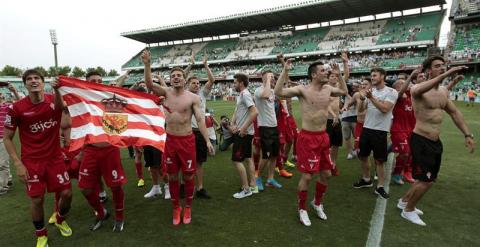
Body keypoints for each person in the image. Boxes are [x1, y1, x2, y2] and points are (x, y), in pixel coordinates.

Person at [398, 56, 474, 226]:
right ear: (428, 71)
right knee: (426, 180)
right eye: (437, 66)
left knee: (427, 179)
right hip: (421, 140)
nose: (441, 68)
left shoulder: (443, 92)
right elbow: (419, 90)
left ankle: (404, 201)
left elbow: (455, 113)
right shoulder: (418, 88)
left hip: (435, 142)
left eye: (443, 65)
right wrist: (448, 73)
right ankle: (408, 210)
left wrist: (468, 134)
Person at [142, 49, 214, 225]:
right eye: (173, 75)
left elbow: (199, 119)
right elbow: (150, 84)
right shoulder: (166, 93)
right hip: (171, 141)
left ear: (184, 79)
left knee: (189, 177)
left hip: (187, 141)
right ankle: (176, 207)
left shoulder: (193, 98)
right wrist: (147, 64)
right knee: (173, 177)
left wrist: (206, 140)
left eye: (178, 75)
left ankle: (187, 206)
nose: (175, 77)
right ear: (170, 78)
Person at [275, 57, 348, 226]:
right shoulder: (302, 89)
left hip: (323, 137)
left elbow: (343, 92)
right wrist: (285, 70)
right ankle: (302, 208)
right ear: (314, 75)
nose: (327, 72)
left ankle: (317, 202)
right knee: (307, 176)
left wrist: (340, 76)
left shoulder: (328, 88)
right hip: (308, 138)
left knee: (327, 174)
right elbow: (279, 92)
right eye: (323, 70)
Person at [3, 70, 73, 247]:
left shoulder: (53, 99)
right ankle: (41, 234)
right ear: (25, 84)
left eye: (37, 78)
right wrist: (18, 163)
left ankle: (60, 219)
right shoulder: (16, 108)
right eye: (29, 79)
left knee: (67, 193)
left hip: (55, 158)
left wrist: (57, 89)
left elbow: (60, 107)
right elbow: (7, 138)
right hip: (32, 162)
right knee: (37, 199)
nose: (33, 81)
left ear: (43, 82)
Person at [75, 71, 127, 232]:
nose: (97, 82)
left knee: (116, 187)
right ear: (87, 82)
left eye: (99, 80)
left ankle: (119, 217)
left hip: (109, 149)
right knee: (85, 188)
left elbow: (128, 106)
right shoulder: (83, 101)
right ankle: (101, 212)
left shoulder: (111, 99)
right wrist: (57, 88)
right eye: (93, 81)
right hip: (90, 150)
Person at [353, 67, 398, 199]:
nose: (372, 78)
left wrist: (370, 97)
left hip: (380, 131)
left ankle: (380, 187)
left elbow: (385, 109)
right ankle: (366, 179)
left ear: (382, 76)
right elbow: (360, 110)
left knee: (379, 160)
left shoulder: (391, 92)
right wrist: (361, 99)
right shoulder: (370, 91)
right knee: (363, 156)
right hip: (367, 128)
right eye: (371, 76)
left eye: (375, 75)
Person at [187, 53, 215, 199]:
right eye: (194, 83)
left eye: (198, 83)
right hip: (187, 132)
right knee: (185, 162)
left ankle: (200, 188)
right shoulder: (184, 94)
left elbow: (212, 80)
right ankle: (184, 186)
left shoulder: (202, 94)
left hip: (200, 132)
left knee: (199, 162)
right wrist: (191, 65)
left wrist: (205, 65)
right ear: (188, 84)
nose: (197, 85)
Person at [254, 70, 283, 191]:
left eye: (273, 77)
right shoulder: (259, 90)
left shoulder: (271, 90)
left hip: (274, 126)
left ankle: (270, 179)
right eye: (270, 77)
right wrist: (267, 81)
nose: (272, 79)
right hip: (265, 127)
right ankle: (257, 177)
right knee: (265, 156)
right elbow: (265, 95)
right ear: (263, 78)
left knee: (274, 155)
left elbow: (280, 92)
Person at [231, 73, 258, 199]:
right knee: (248, 158)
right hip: (246, 133)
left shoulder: (245, 94)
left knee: (236, 161)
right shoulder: (242, 95)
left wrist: (243, 128)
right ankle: (253, 185)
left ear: (241, 83)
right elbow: (237, 111)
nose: (234, 84)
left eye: (235, 82)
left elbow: (254, 112)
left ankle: (246, 189)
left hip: (244, 134)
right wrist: (232, 123)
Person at [390, 68, 419, 185]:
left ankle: (387, 150)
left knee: (409, 152)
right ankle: (396, 174)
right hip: (398, 130)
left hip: (411, 130)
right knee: (405, 153)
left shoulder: (411, 97)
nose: (406, 84)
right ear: (396, 88)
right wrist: (411, 76)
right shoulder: (396, 96)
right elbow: (401, 92)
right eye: (401, 83)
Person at [326, 52, 349, 176]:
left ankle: (333, 164)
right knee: (327, 145)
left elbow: (346, 76)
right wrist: (334, 116)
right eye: (332, 77)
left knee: (336, 144)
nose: (335, 78)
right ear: (328, 78)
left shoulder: (339, 86)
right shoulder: (325, 88)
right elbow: (326, 104)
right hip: (328, 120)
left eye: (336, 77)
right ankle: (327, 164)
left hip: (336, 119)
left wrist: (345, 62)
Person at [0, 82, 20, 195]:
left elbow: (20, 103)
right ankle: (8, 180)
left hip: (3, 138)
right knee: (2, 163)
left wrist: (14, 91)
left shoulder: (6, 107)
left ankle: (3, 186)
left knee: (2, 163)